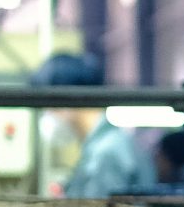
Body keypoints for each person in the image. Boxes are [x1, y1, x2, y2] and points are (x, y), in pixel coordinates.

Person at [34, 52, 154, 198]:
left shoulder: (107, 153)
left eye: (50, 107)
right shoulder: (102, 148)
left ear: (68, 99)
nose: (48, 115)